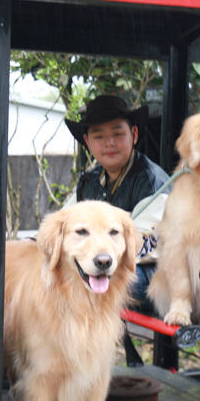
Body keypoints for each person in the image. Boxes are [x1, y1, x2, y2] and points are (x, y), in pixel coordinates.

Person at [65, 94, 170, 313]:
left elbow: (146, 246)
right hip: (103, 267)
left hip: (154, 275)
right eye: (99, 136)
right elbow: (63, 223)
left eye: (117, 133)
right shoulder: (89, 182)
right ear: (87, 141)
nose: (109, 143)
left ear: (134, 134)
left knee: (84, 286)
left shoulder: (153, 183)